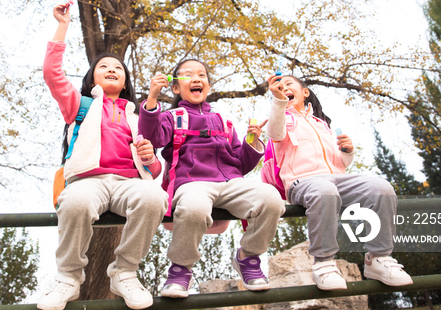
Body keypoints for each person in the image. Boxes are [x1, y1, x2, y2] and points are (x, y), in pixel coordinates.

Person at [38, 2, 168, 310]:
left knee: (153, 197)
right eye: (104, 67)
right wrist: (62, 25)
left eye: (118, 69)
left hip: (128, 183)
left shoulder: (137, 116)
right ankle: (69, 277)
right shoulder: (80, 105)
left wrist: (149, 158)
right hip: (89, 179)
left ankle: (124, 272)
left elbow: (155, 166)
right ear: (92, 78)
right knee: (76, 202)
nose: (112, 69)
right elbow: (52, 73)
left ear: (124, 82)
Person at [138, 59, 285, 298]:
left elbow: (240, 164)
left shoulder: (223, 121)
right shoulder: (171, 117)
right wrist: (152, 99)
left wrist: (252, 142)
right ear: (176, 88)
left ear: (207, 85)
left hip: (230, 182)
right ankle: (180, 269)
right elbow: (151, 137)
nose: (196, 78)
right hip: (192, 182)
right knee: (194, 207)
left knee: (271, 199)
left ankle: (248, 257)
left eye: (201, 75)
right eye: (187, 75)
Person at [263, 74, 413, 290]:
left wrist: (348, 152)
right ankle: (323, 263)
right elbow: (275, 133)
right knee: (325, 191)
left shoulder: (322, 124)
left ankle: (378, 258)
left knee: (382, 188)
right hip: (302, 182)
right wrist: (278, 101)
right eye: (280, 86)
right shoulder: (282, 118)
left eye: (289, 84)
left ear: (305, 92)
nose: (284, 87)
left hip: (336, 180)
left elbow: (339, 163)